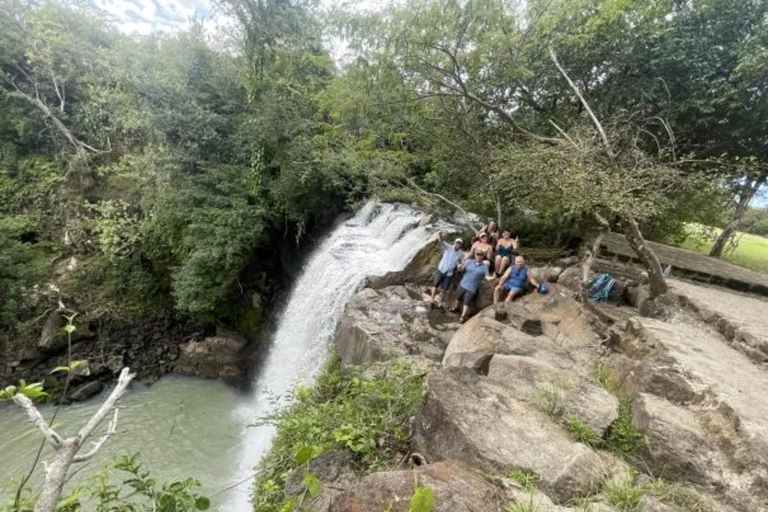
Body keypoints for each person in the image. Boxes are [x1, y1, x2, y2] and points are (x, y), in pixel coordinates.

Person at [452, 249, 495, 323]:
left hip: (472, 287)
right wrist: (459, 267)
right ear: (475, 255)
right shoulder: (469, 262)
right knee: (457, 297)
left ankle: (463, 316)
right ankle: (454, 308)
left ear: (483, 256)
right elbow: (462, 270)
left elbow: (486, 276)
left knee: (467, 302)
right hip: (463, 283)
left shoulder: (484, 267)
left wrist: (491, 278)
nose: (479, 256)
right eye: (477, 254)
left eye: (481, 255)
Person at [430, 231, 464, 307]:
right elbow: (441, 241)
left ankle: (439, 303)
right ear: (454, 243)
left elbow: (460, 261)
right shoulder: (448, 247)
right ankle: (432, 301)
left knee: (444, 290)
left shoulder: (461, 253)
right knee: (435, 285)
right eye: (457, 243)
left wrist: (460, 266)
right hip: (441, 269)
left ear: (461, 245)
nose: (458, 244)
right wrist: (440, 235)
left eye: (459, 244)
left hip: (449, 273)